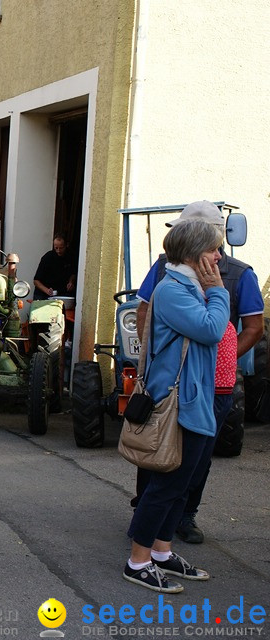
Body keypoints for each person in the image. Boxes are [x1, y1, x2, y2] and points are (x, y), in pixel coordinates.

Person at [131, 201, 265, 543]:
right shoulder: (168, 273)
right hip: (179, 384)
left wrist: (223, 362)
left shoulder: (241, 272)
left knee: (195, 460)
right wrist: (150, 361)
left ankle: (181, 519)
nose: (217, 254)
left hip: (214, 385)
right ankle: (148, 525)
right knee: (158, 453)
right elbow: (146, 314)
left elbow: (253, 327)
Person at [124, 219, 228, 593]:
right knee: (166, 486)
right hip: (179, 404)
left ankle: (162, 552)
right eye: (214, 249)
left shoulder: (186, 287)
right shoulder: (174, 291)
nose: (219, 256)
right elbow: (212, 329)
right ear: (195, 254)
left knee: (181, 486)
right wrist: (218, 292)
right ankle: (138, 560)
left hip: (192, 401)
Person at [33, 235, 77, 300]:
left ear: (66, 245)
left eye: (61, 248)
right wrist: (47, 290)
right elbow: (36, 281)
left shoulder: (71, 257)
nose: (58, 251)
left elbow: (73, 273)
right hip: (43, 294)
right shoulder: (47, 258)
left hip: (61, 293)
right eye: (56, 248)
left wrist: (71, 282)